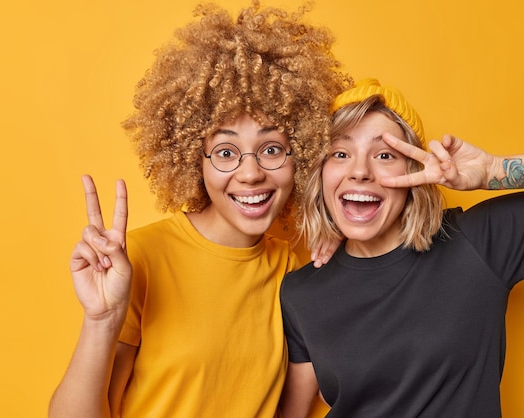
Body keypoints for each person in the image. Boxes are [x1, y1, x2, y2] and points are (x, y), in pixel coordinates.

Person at [48, 2, 351, 417]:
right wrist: (101, 320)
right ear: (194, 160)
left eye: (272, 149)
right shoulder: (137, 260)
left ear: (302, 152)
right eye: (226, 152)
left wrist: (341, 244)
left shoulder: (297, 268)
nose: (250, 174)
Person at [279, 78, 524, 417]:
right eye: (340, 153)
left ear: (414, 172)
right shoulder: (301, 292)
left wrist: (493, 171)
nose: (360, 171)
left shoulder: (475, 242)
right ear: (320, 174)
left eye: (385, 154)